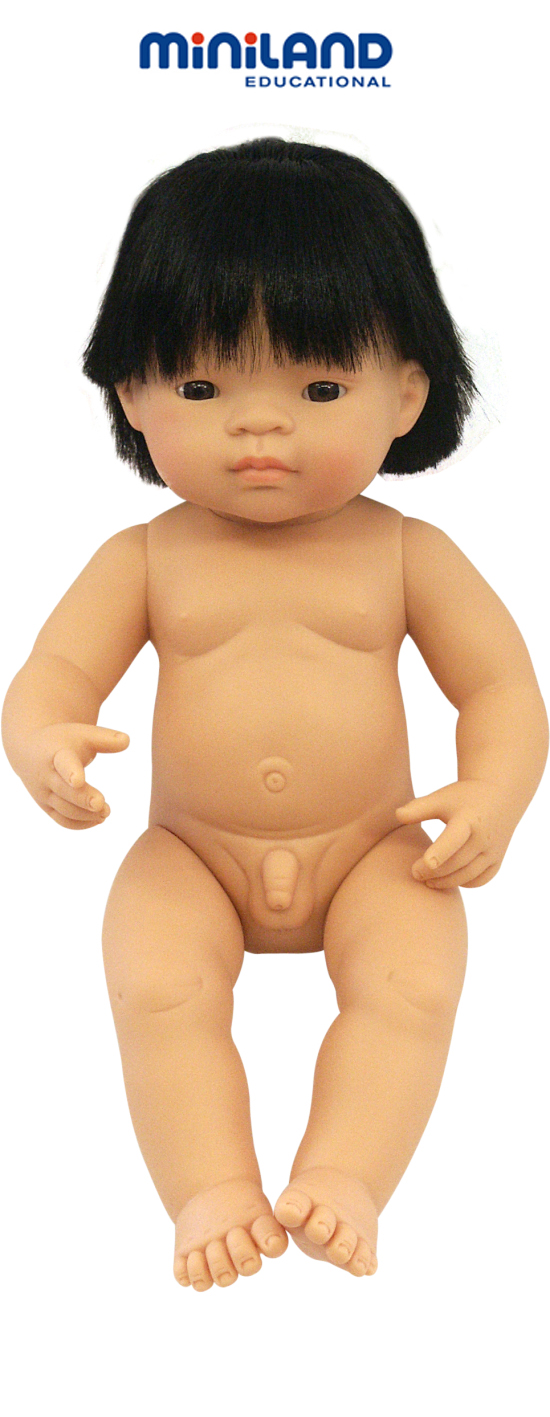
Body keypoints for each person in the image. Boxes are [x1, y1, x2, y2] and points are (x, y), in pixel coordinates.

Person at [2, 138, 547, 1292]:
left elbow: (500, 686)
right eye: (204, 389)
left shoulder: (407, 553)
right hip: (189, 852)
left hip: (376, 849)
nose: (260, 429)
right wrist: (44, 742)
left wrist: (492, 792)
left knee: (410, 986)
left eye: (318, 390)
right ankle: (208, 1186)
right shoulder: (143, 558)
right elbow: (51, 674)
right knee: (159, 986)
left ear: (406, 393)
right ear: (132, 392)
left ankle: (345, 1176)